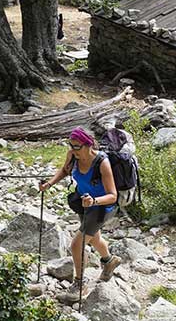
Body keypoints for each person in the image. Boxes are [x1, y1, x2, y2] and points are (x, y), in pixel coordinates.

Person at [40, 127, 122, 301]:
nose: (73, 149)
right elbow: (65, 170)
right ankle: (109, 261)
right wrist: (49, 183)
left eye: (77, 146)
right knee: (94, 238)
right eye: (71, 145)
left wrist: (94, 201)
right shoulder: (73, 155)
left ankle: (80, 283)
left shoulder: (102, 163)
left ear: (88, 144)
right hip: (84, 203)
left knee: (77, 244)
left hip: (101, 207)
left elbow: (113, 196)